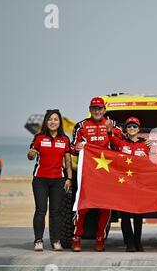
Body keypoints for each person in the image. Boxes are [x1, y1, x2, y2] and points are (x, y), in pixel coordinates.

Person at [70, 97, 123, 252]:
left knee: (105, 207)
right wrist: (77, 148)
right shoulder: (81, 126)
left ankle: (100, 237)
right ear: (90, 109)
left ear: (104, 110)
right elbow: (71, 148)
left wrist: (110, 131)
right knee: (82, 207)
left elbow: (123, 143)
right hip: (87, 172)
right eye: (94, 108)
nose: (97, 111)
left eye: (100, 108)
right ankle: (76, 237)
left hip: (107, 173)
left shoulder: (113, 125)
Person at [27, 109, 73, 252]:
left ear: (60, 123)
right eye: (50, 119)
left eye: (55, 120)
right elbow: (30, 156)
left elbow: (68, 161)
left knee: (56, 212)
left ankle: (55, 241)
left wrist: (69, 178)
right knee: (41, 210)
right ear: (46, 122)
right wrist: (31, 153)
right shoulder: (39, 137)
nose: (52, 122)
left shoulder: (65, 140)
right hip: (40, 180)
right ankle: (38, 240)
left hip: (58, 180)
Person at [107, 117, 149, 252]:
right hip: (124, 184)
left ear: (139, 129)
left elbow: (151, 161)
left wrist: (153, 147)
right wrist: (109, 130)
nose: (132, 129)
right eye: (129, 127)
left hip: (139, 184)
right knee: (124, 216)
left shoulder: (145, 145)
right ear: (126, 129)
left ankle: (138, 242)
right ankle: (129, 243)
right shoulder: (121, 143)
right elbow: (109, 138)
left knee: (138, 215)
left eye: (134, 127)